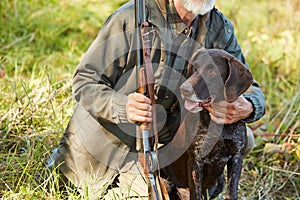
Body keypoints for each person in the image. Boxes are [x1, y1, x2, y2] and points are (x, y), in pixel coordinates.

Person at [46, 0, 265, 199]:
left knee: (244, 137)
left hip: (167, 142)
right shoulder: (129, 18)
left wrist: (248, 106)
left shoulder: (218, 27)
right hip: (115, 143)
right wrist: (123, 106)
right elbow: (84, 80)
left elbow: (250, 86)